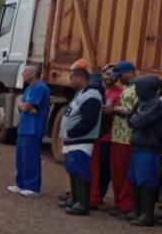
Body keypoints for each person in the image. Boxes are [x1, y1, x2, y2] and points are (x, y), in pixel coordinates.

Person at [57, 67, 103, 215]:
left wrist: (71, 132)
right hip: (73, 140)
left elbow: (89, 120)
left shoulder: (92, 95)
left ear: (80, 78)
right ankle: (75, 199)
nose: (71, 81)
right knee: (73, 170)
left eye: (72, 78)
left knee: (81, 172)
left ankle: (83, 204)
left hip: (81, 140)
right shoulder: (81, 93)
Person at [10, 63, 50, 197]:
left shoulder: (40, 88)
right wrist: (25, 106)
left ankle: (33, 186)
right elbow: (23, 105)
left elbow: (26, 106)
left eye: (25, 71)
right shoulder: (30, 88)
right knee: (21, 157)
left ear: (34, 73)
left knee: (31, 157)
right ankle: (20, 183)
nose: (23, 74)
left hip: (33, 128)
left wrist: (25, 106)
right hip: (25, 127)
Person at [127, 75, 162, 226]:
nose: (136, 90)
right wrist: (133, 117)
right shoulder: (143, 102)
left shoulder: (156, 104)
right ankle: (138, 211)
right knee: (134, 179)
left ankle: (147, 215)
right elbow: (131, 120)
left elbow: (139, 121)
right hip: (138, 146)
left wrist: (133, 117)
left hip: (149, 147)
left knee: (146, 181)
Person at [89, 64, 121, 211]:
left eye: (113, 74)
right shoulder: (95, 91)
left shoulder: (119, 93)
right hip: (93, 135)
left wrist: (111, 111)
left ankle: (99, 195)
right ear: (102, 74)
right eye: (107, 74)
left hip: (108, 136)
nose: (109, 77)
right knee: (91, 167)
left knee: (104, 168)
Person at [108, 61, 138, 217]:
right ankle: (119, 201)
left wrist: (114, 110)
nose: (118, 79)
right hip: (118, 135)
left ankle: (126, 204)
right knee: (117, 171)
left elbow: (135, 111)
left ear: (128, 72)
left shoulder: (138, 89)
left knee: (124, 171)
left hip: (127, 136)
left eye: (120, 75)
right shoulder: (127, 87)